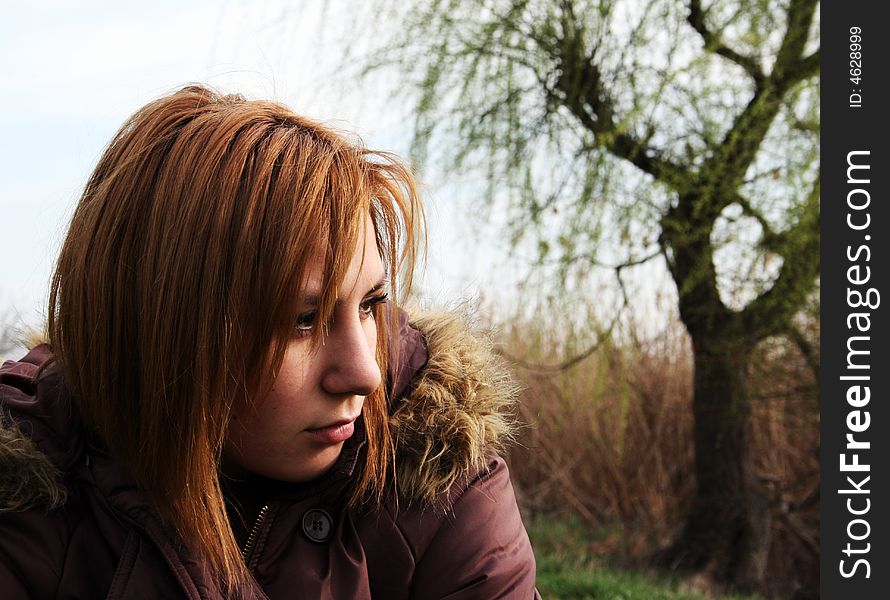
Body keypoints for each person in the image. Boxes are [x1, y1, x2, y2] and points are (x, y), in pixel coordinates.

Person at [0, 85, 538, 599]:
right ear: (162, 331)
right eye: (304, 319)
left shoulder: (434, 472)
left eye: (371, 304)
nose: (364, 373)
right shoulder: (27, 496)